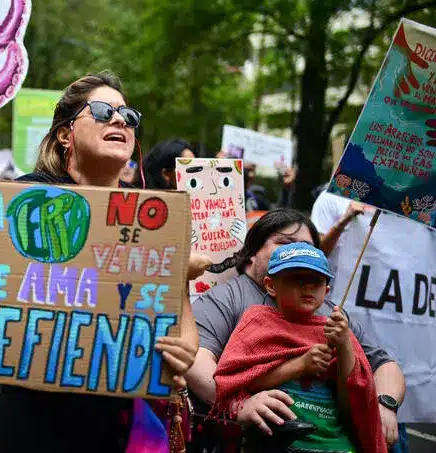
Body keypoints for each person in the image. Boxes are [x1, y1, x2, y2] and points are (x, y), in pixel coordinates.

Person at [0, 72, 204, 453]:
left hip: (111, 430)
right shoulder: (28, 197)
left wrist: (180, 344)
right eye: (103, 111)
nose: (120, 120)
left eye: (128, 116)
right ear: (65, 134)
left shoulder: (154, 217)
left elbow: (182, 335)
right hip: (31, 427)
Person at [186, 209, 406, 448]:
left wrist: (384, 405)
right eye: (286, 243)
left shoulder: (332, 315)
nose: (301, 254)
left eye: (309, 247)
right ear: (252, 254)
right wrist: (238, 405)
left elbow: (383, 365)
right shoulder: (229, 298)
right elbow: (195, 356)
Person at [213, 242, 385, 453]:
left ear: (326, 290)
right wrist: (300, 366)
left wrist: (344, 347)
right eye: (296, 278)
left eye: (317, 281)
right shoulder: (257, 321)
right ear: (271, 285)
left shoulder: (337, 331)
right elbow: (237, 381)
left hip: (334, 442)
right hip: (276, 440)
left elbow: (354, 402)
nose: (308, 287)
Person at [312, 190, 436, 452]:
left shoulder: (421, 210)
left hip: (393, 355)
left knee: (389, 434)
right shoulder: (334, 199)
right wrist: (344, 221)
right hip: (337, 337)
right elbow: (313, 255)